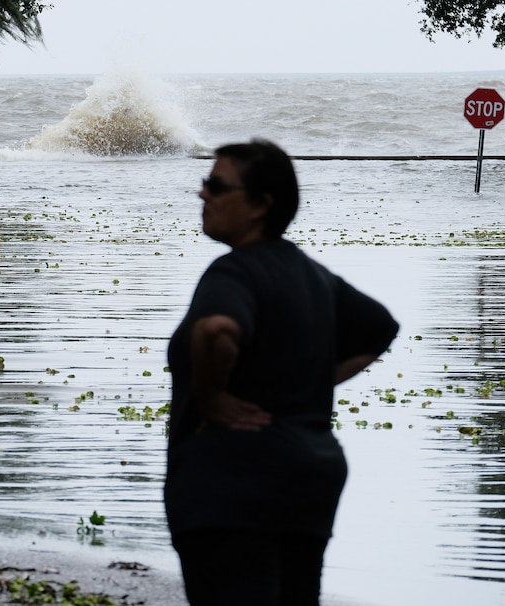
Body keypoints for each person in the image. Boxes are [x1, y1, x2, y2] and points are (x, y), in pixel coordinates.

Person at [164, 139, 399, 605]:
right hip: (308, 482)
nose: (202, 194)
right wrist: (312, 379)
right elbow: (380, 328)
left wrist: (211, 399)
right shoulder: (313, 275)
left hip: (233, 484)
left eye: (216, 185)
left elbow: (215, 330)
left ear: (259, 205)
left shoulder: (233, 272)